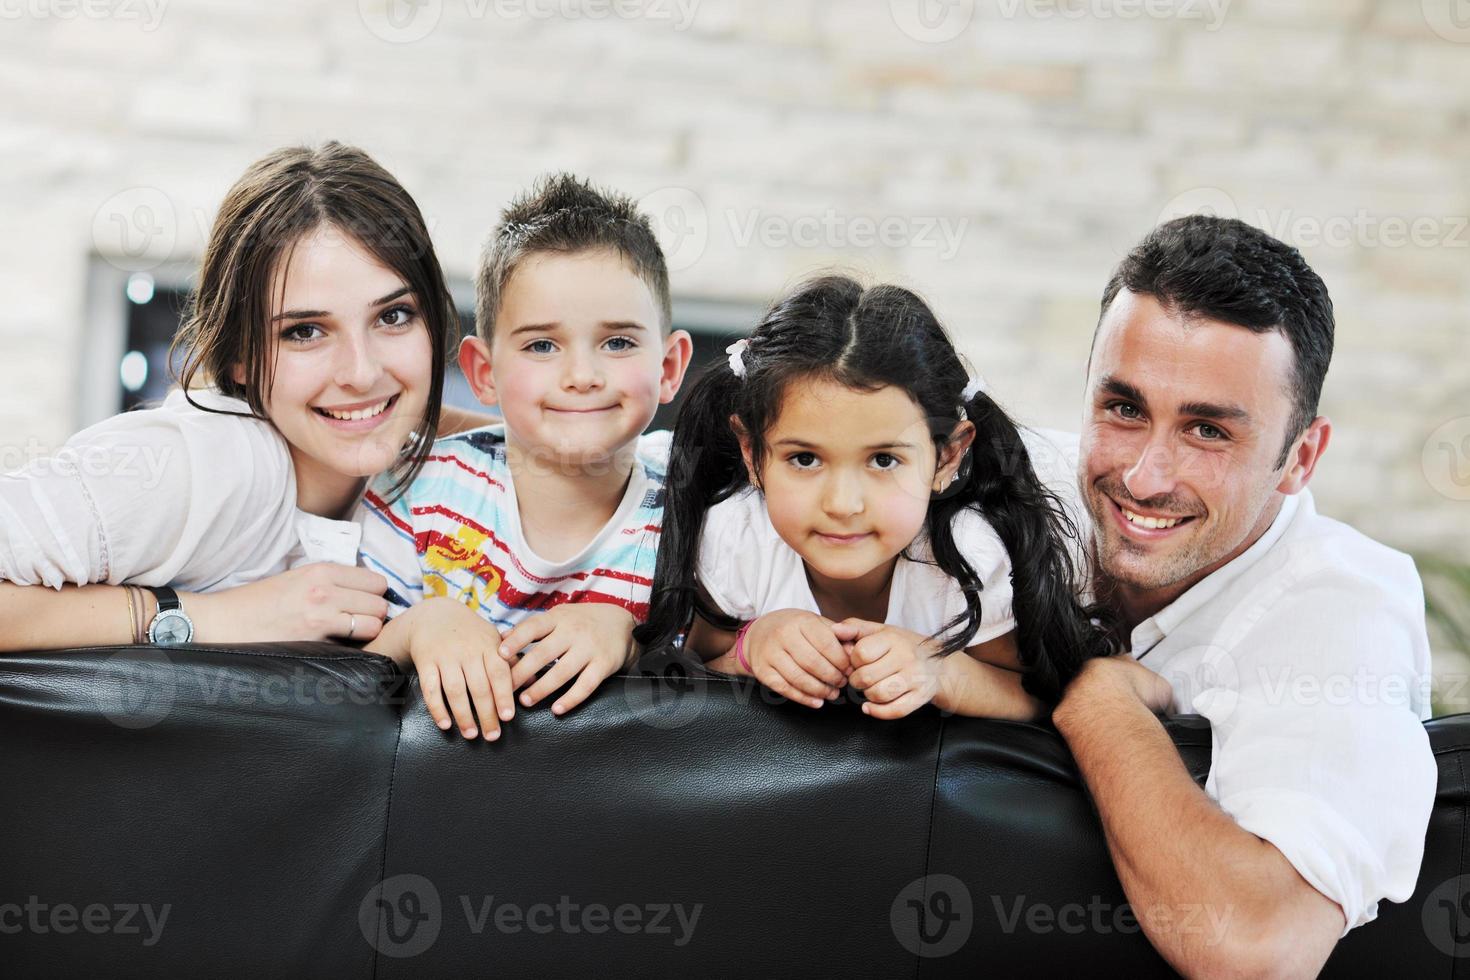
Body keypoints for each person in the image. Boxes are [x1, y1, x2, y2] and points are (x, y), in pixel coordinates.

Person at [1052, 215, 1437, 978]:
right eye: (1124, 408)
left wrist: (1097, 701)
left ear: (1300, 458)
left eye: (1207, 432)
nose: (1144, 476)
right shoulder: (1024, 495)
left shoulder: (1342, 613)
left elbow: (1259, 949)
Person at [0, 142, 461, 652]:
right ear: (239, 354)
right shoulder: (201, 465)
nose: (361, 372)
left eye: (393, 317)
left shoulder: (439, 462)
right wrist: (206, 616)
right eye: (305, 331)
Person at [634, 274, 1114, 718]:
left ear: (946, 458)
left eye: (884, 460)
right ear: (753, 454)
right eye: (804, 459)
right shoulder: (737, 537)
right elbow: (691, 670)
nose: (843, 504)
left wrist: (942, 671)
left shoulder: (967, 559)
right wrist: (750, 648)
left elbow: (1038, 699)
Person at [360, 173, 693, 740]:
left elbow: (724, 675)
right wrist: (420, 626)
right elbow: (333, 684)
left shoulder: (697, 512)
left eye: (618, 342)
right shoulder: (419, 492)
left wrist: (629, 639)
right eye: (542, 345)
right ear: (484, 373)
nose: (582, 376)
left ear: (668, 368)